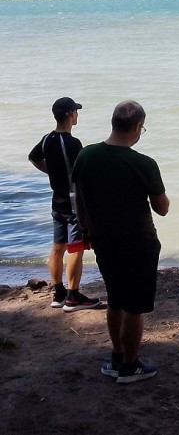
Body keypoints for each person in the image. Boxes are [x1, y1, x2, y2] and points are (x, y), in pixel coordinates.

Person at [72, 100, 170, 384]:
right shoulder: (143, 163)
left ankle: (116, 357)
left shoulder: (86, 156)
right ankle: (130, 366)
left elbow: (79, 197)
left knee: (115, 300)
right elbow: (162, 208)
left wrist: (85, 229)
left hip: (102, 240)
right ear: (137, 128)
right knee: (134, 306)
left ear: (113, 123)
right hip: (139, 243)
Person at [28, 97, 103, 312]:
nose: (77, 115)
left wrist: (51, 172)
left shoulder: (46, 139)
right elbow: (82, 175)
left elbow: (33, 158)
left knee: (57, 247)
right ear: (70, 114)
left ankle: (58, 292)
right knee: (76, 249)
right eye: (76, 111)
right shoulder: (72, 143)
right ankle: (73, 297)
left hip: (57, 202)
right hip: (73, 204)